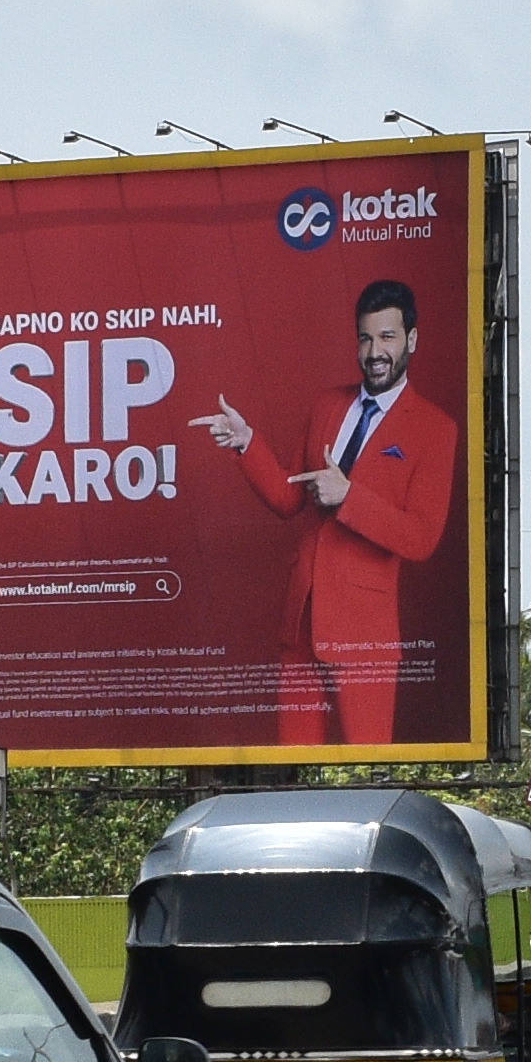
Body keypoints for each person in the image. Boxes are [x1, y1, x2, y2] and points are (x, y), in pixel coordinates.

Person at [193, 275, 453, 746]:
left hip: (365, 634)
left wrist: (349, 496)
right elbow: (288, 499)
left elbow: (422, 537)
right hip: (302, 621)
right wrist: (246, 442)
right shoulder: (328, 405)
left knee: (369, 766)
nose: (375, 350)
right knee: (292, 770)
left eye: (388, 337)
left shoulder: (436, 429)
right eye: (366, 338)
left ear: (412, 340)